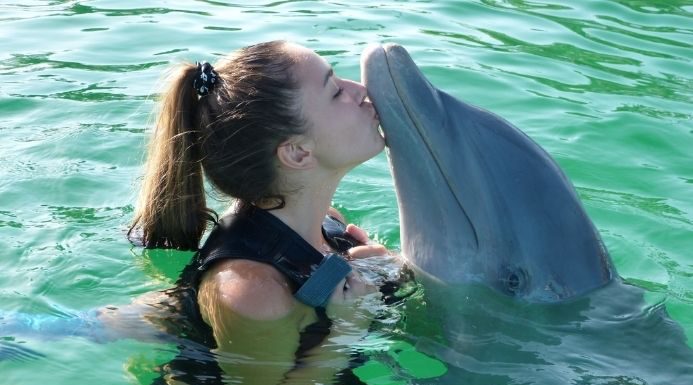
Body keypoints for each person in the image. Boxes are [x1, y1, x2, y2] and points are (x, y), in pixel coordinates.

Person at [128, 40, 390, 384]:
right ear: (297, 153)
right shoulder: (252, 291)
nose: (360, 90)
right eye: (335, 91)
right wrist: (347, 328)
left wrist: (376, 268)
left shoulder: (327, 221)